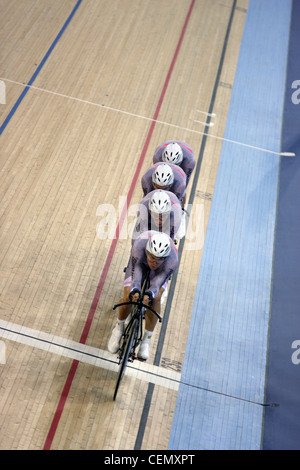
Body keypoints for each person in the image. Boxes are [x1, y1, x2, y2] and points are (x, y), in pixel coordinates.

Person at [108, 231, 178, 361]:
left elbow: (158, 282)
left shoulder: (172, 260)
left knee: (156, 299)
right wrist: (135, 290)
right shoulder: (139, 247)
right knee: (129, 294)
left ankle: (146, 341)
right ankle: (118, 329)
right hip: (139, 264)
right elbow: (136, 273)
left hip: (160, 273)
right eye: (152, 258)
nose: (153, 263)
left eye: (158, 261)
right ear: (147, 252)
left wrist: (150, 294)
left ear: (165, 258)